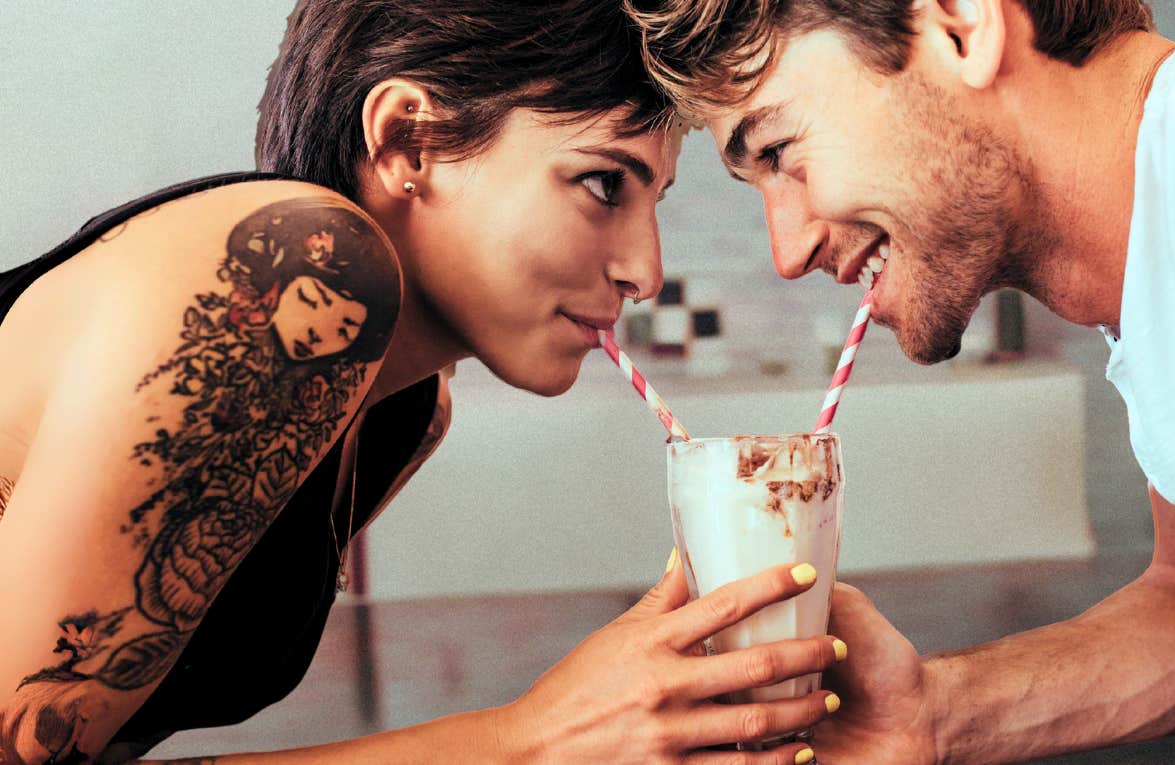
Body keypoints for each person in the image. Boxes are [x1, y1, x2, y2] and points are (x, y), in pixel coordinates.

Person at [0, 2, 846, 763]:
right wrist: (533, 740)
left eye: (653, 200)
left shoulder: (404, 410)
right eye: (602, 183)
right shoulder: (299, 269)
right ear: (410, 140)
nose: (644, 271)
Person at [625, 0, 1175, 761]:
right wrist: (930, 715)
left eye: (779, 150)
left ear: (960, 24)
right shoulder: (1163, 259)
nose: (790, 246)